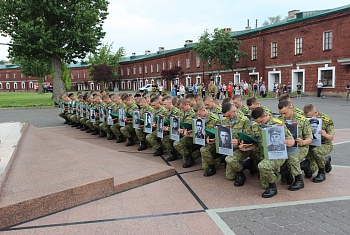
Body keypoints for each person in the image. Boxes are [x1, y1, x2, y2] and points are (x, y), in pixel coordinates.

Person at [251, 107, 295, 198]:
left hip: (277, 153)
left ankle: (273, 188)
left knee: (263, 166)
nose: (259, 124)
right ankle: (284, 173)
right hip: (264, 153)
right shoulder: (255, 125)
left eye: (261, 121)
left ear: (266, 115)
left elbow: (290, 138)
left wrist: (291, 142)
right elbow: (256, 141)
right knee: (264, 185)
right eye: (257, 122)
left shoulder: (278, 124)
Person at [278, 100, 313, 191]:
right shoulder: (279, 120)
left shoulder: (302, 120)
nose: (283, 116)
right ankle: (289, 172)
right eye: (281, 114)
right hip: (285, 146)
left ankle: (299, 180)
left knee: (292, 157)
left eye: (285, 113)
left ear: (291, 108)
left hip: (300, 146)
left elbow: (310, 138)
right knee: (285, 179)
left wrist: (303, 142)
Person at [303, 103, 334, 183]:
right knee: (309, 172)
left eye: (310, 116)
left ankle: (321, 172)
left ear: (316, 113)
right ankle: (326, 160)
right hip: (311, 144)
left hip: (324, 144)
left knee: (316, 151)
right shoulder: (303, 118)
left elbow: (331, 137)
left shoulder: (326, 120)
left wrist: (326, 135)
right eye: (307, 117)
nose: (308, 118)